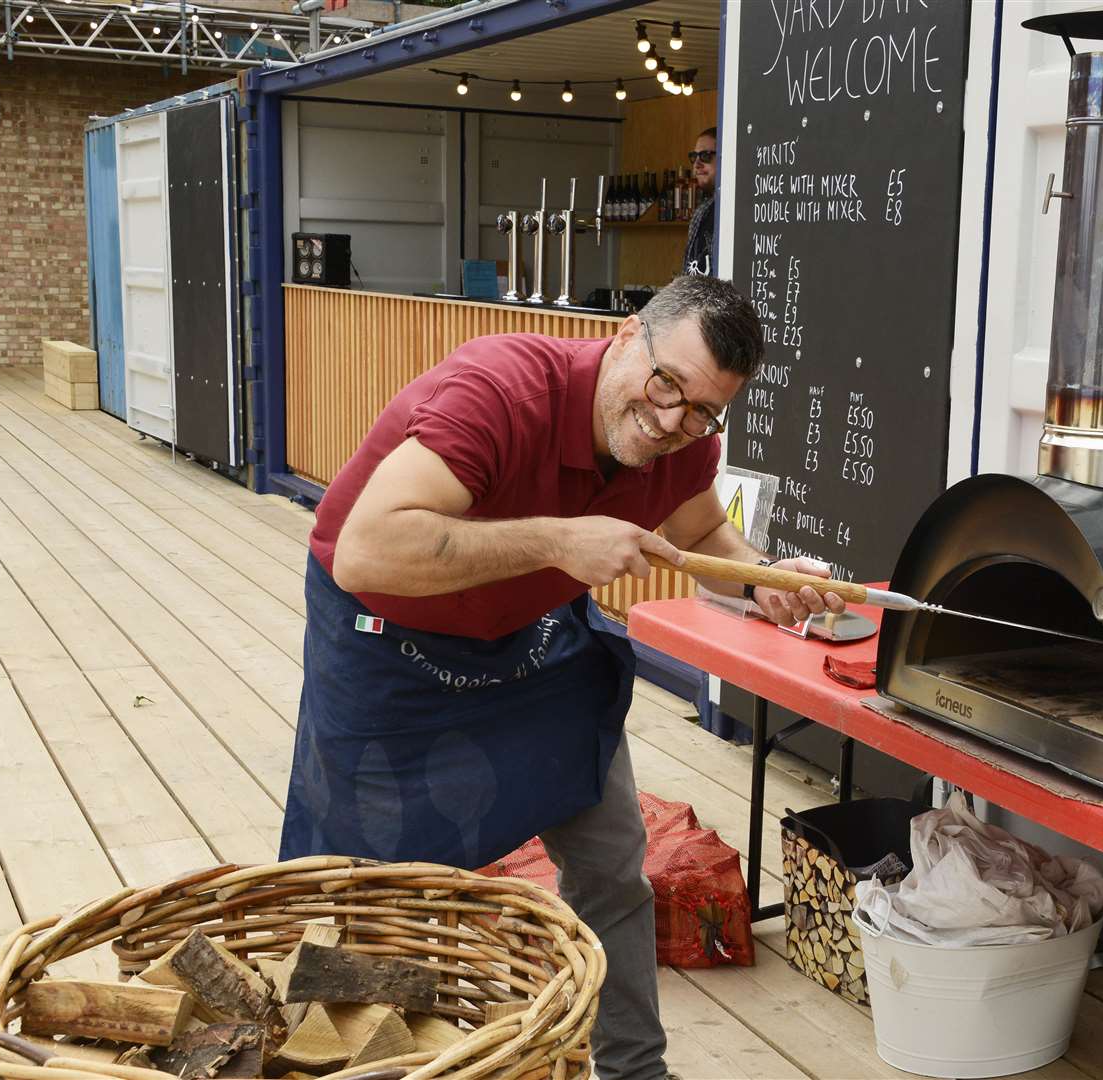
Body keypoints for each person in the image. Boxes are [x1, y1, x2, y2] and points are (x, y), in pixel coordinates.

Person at [278, 274, 843, 1080]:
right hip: (387, 638)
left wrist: (766, 578)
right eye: (666, 383)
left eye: (704, 410)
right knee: (370, 893)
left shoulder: (686, 444)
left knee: (614, 864)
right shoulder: (500, 390)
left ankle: (635, 1072)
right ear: (623, 335)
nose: (672, 420)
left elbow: (704, 532)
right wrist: (555, 542)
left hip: (533, 643)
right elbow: (371, 549)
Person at [682, 127, 717, 276]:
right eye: (694, 157)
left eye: (705, 156)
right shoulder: (702, 211)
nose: (697, 164)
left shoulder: (736, 208)